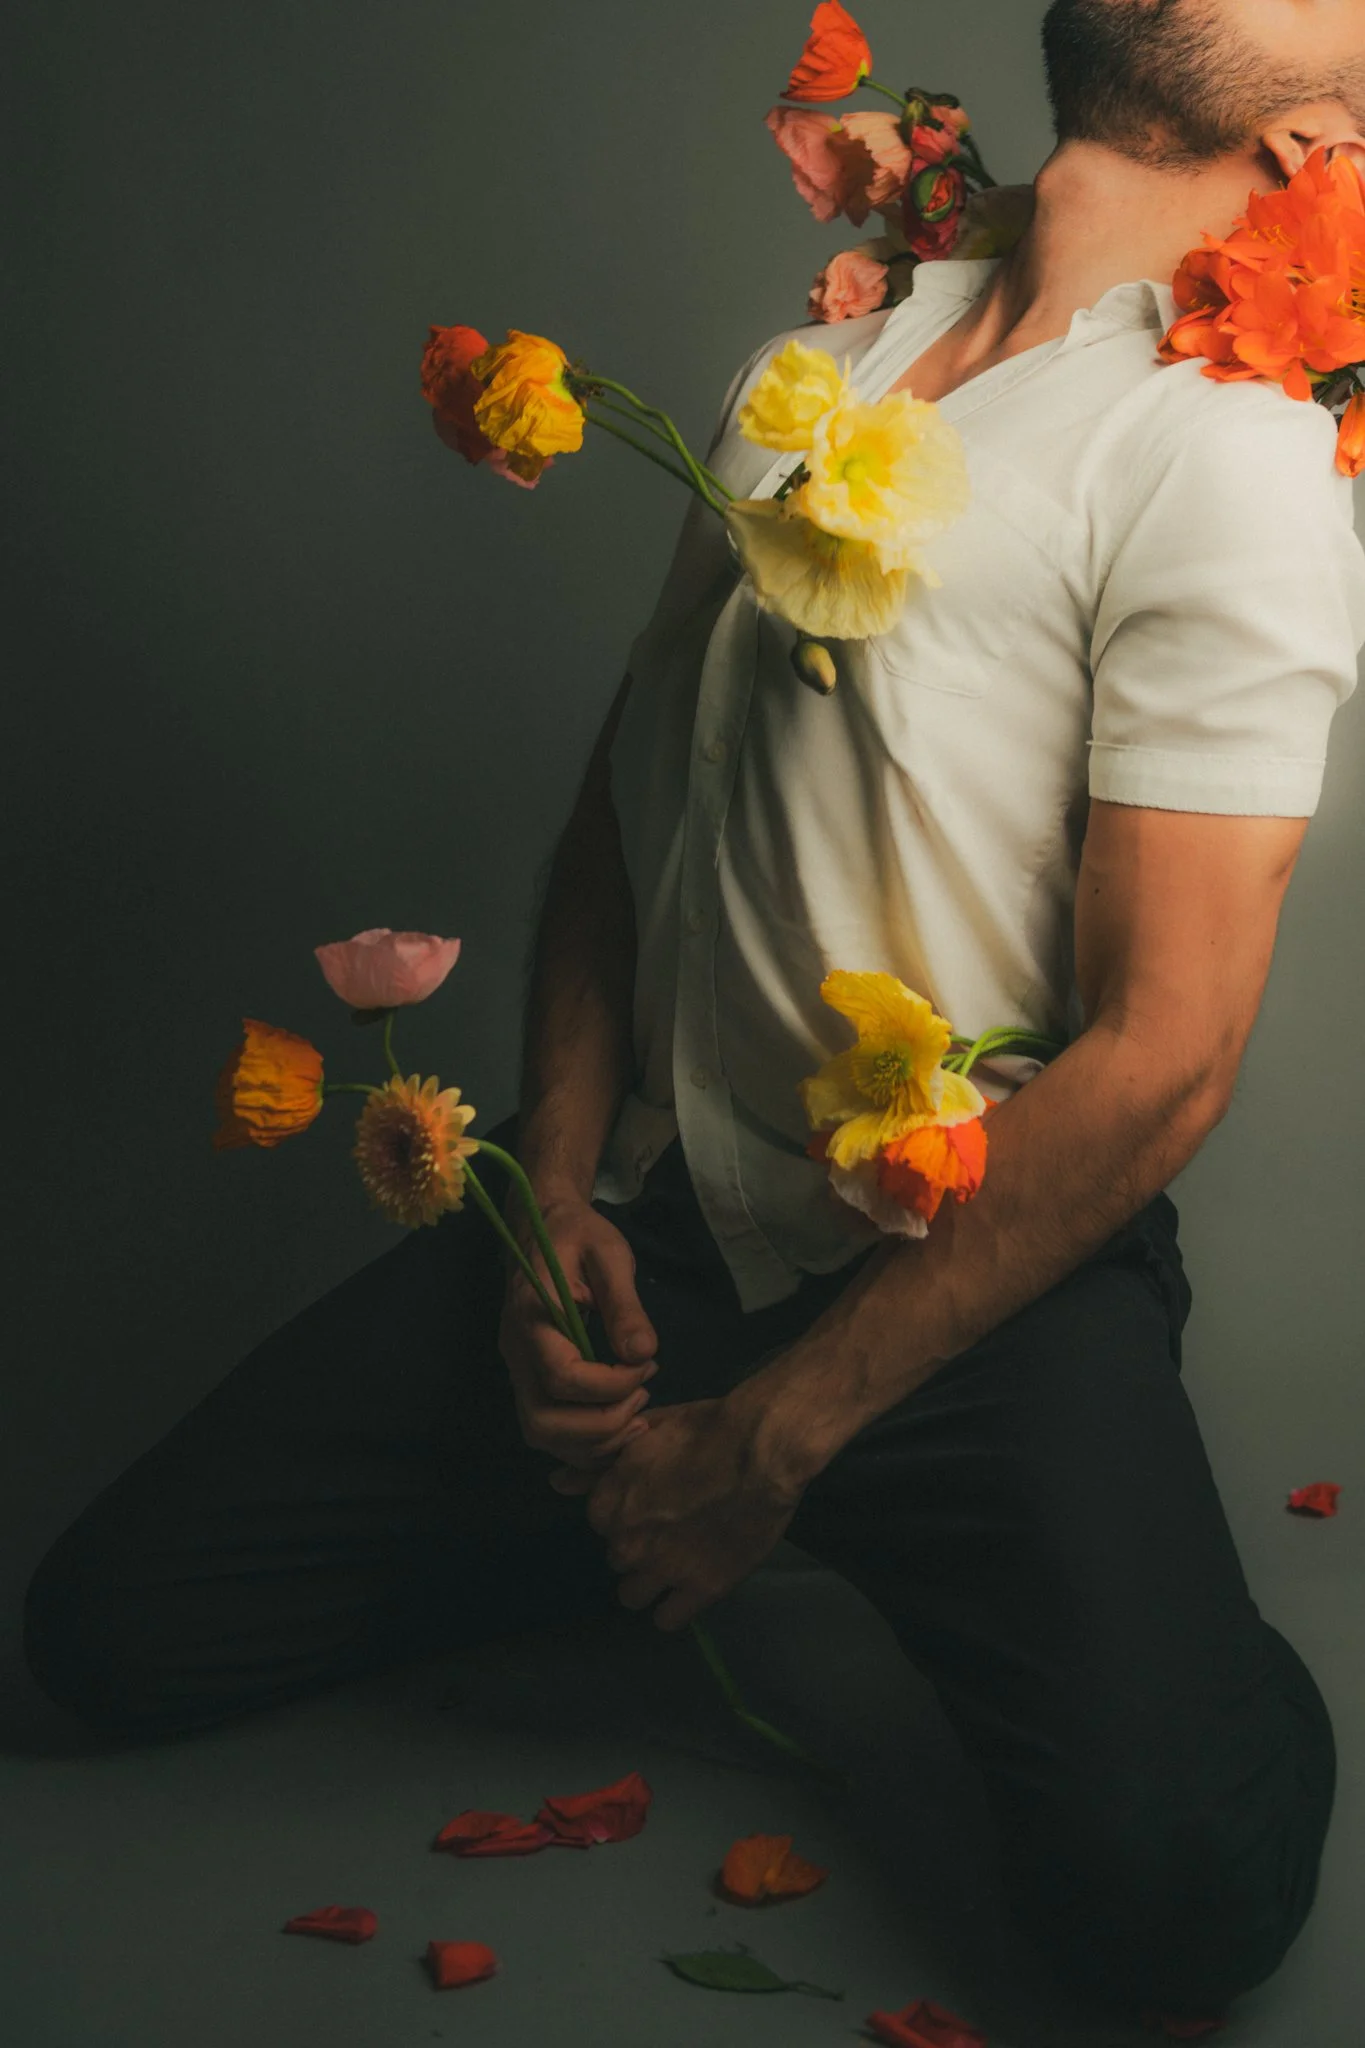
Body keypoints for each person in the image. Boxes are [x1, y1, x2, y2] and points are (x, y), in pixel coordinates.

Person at [22, 0, 1365, 2027]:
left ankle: (1071, 1584)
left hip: (980, 1273)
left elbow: (1163, 1052)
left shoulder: (1232, 459)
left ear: (1311, 146)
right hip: (672, 1233)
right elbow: (621, 813)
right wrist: (549, 1201)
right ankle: (625, 1506)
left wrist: (782, 1435)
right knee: (107, 1638)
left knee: (1173, 1901)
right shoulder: (808, 363)